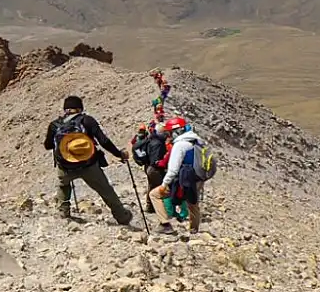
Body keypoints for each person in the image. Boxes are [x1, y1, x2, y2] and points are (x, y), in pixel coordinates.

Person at [44, 95, 133, 225]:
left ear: (65, 109)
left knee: (63, 185)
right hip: (89, 165)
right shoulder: (87, 120)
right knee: (105, 190)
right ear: (80, 108)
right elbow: (103, 141)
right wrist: (119, 154)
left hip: (65, 166)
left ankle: (63, 212)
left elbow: (48, 146)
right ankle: (122, 216)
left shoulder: (55, 125)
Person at [149, 116, 206, 235]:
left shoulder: (179, 146)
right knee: (193, 203)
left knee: (154, 194)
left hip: (181, 180)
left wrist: (164, 185)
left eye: (170, 133)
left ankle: (165, 224)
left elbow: (173, 170)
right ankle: (194, 230)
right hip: (196, 178)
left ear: (176, 131)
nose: (169, 136)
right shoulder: (198, 141)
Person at [130, 121, 168, 214]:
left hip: (148, 167)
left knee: (152, 186)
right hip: (155, 169)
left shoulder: (150, 139)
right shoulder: (158, 143)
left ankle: (150, 206)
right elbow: (155, 160)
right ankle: (164, 209)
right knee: (162, 188)